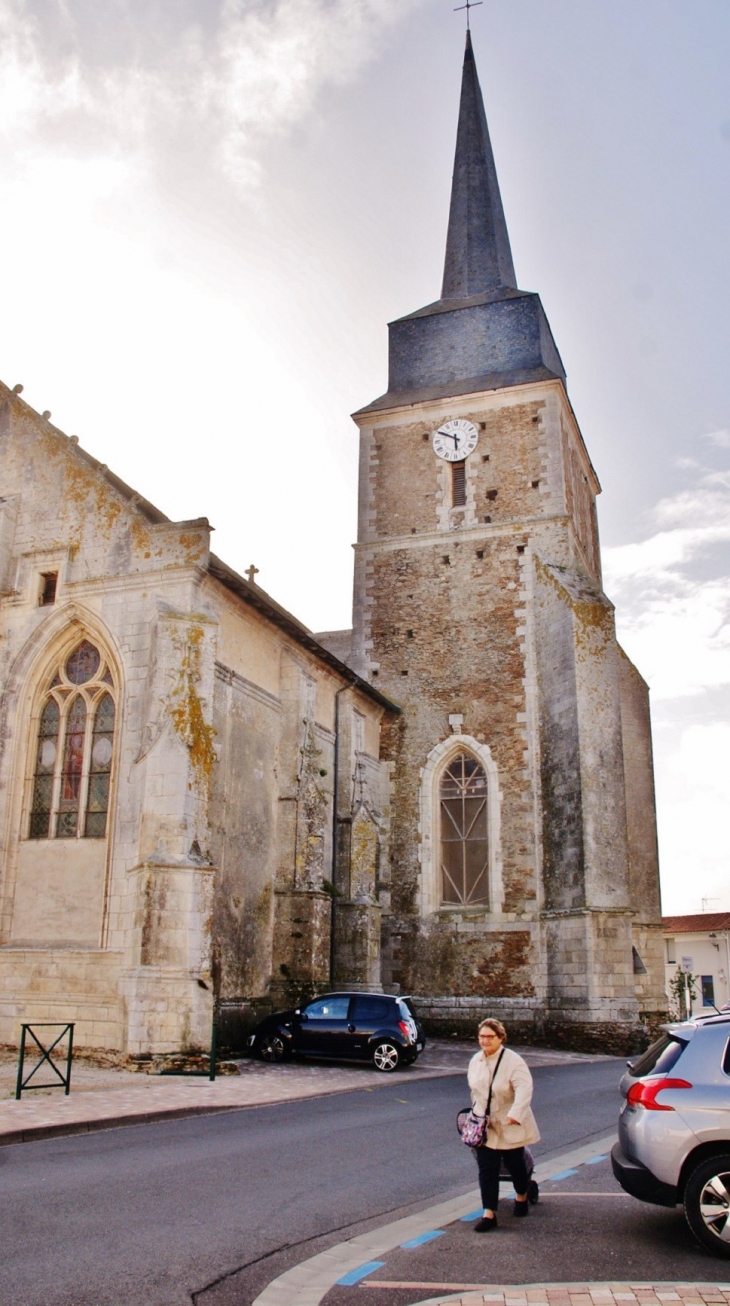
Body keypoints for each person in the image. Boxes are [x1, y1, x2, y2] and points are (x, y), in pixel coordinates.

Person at [467, 1017, 540, 1232]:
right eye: (482, 1036)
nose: (485, 1041)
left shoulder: (513, 1061)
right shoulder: (475, 1061)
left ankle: (521, 1195)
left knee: (515, 1165)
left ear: (501, 1038)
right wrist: (475, 1115)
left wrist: (516, 1114)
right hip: (486, 1126)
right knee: (487, 1169)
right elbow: (475, 1090)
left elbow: (524, 1089)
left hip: (509, 1122)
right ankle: (489, 1213)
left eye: (490, 1037)